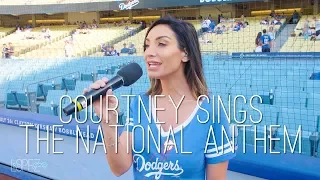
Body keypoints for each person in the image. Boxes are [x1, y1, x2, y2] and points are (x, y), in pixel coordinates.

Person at [84, 16, 236, 180]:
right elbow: (119, 168)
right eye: (147, 45)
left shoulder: (211, 112)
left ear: (186, 53)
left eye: (161, 44)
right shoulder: (139, 104)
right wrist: (108, 122)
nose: (149, 52)